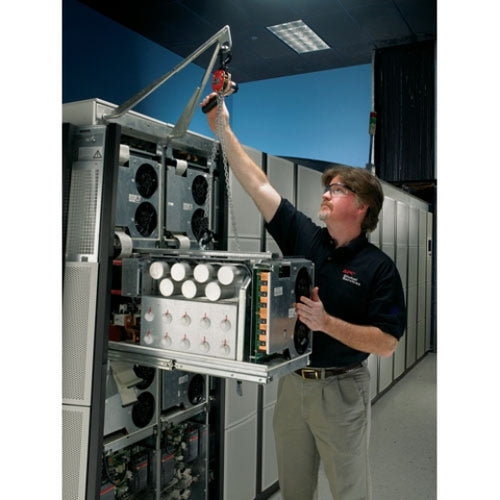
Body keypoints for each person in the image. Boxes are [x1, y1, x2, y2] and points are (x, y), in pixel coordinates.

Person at [201, 93, 406, 500]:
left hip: (342, 388)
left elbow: (386, 343)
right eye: (327, 187)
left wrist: (326, 323)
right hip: (293, 385)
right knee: (294, 489)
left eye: (338, 189)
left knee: (349, 490)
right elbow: (259, 184)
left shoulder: (379, 268)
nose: (326, 194)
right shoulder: (305, 236)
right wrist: (222, 129)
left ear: (362, 207)